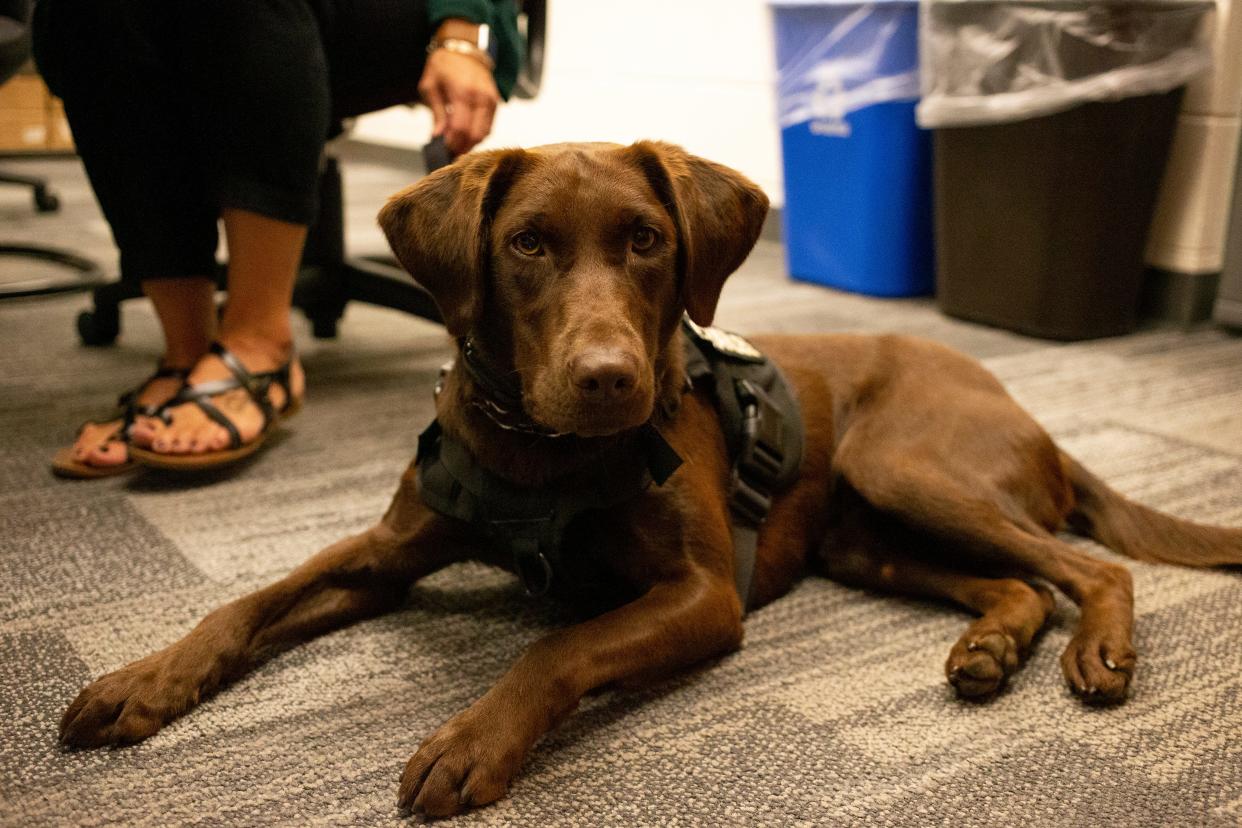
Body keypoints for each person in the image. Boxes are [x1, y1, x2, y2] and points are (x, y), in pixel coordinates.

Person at [35, 0, 520, 476]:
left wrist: (462, 31)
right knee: (84, 13)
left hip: (417, 15)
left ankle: (259, 346)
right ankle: (185, 353)